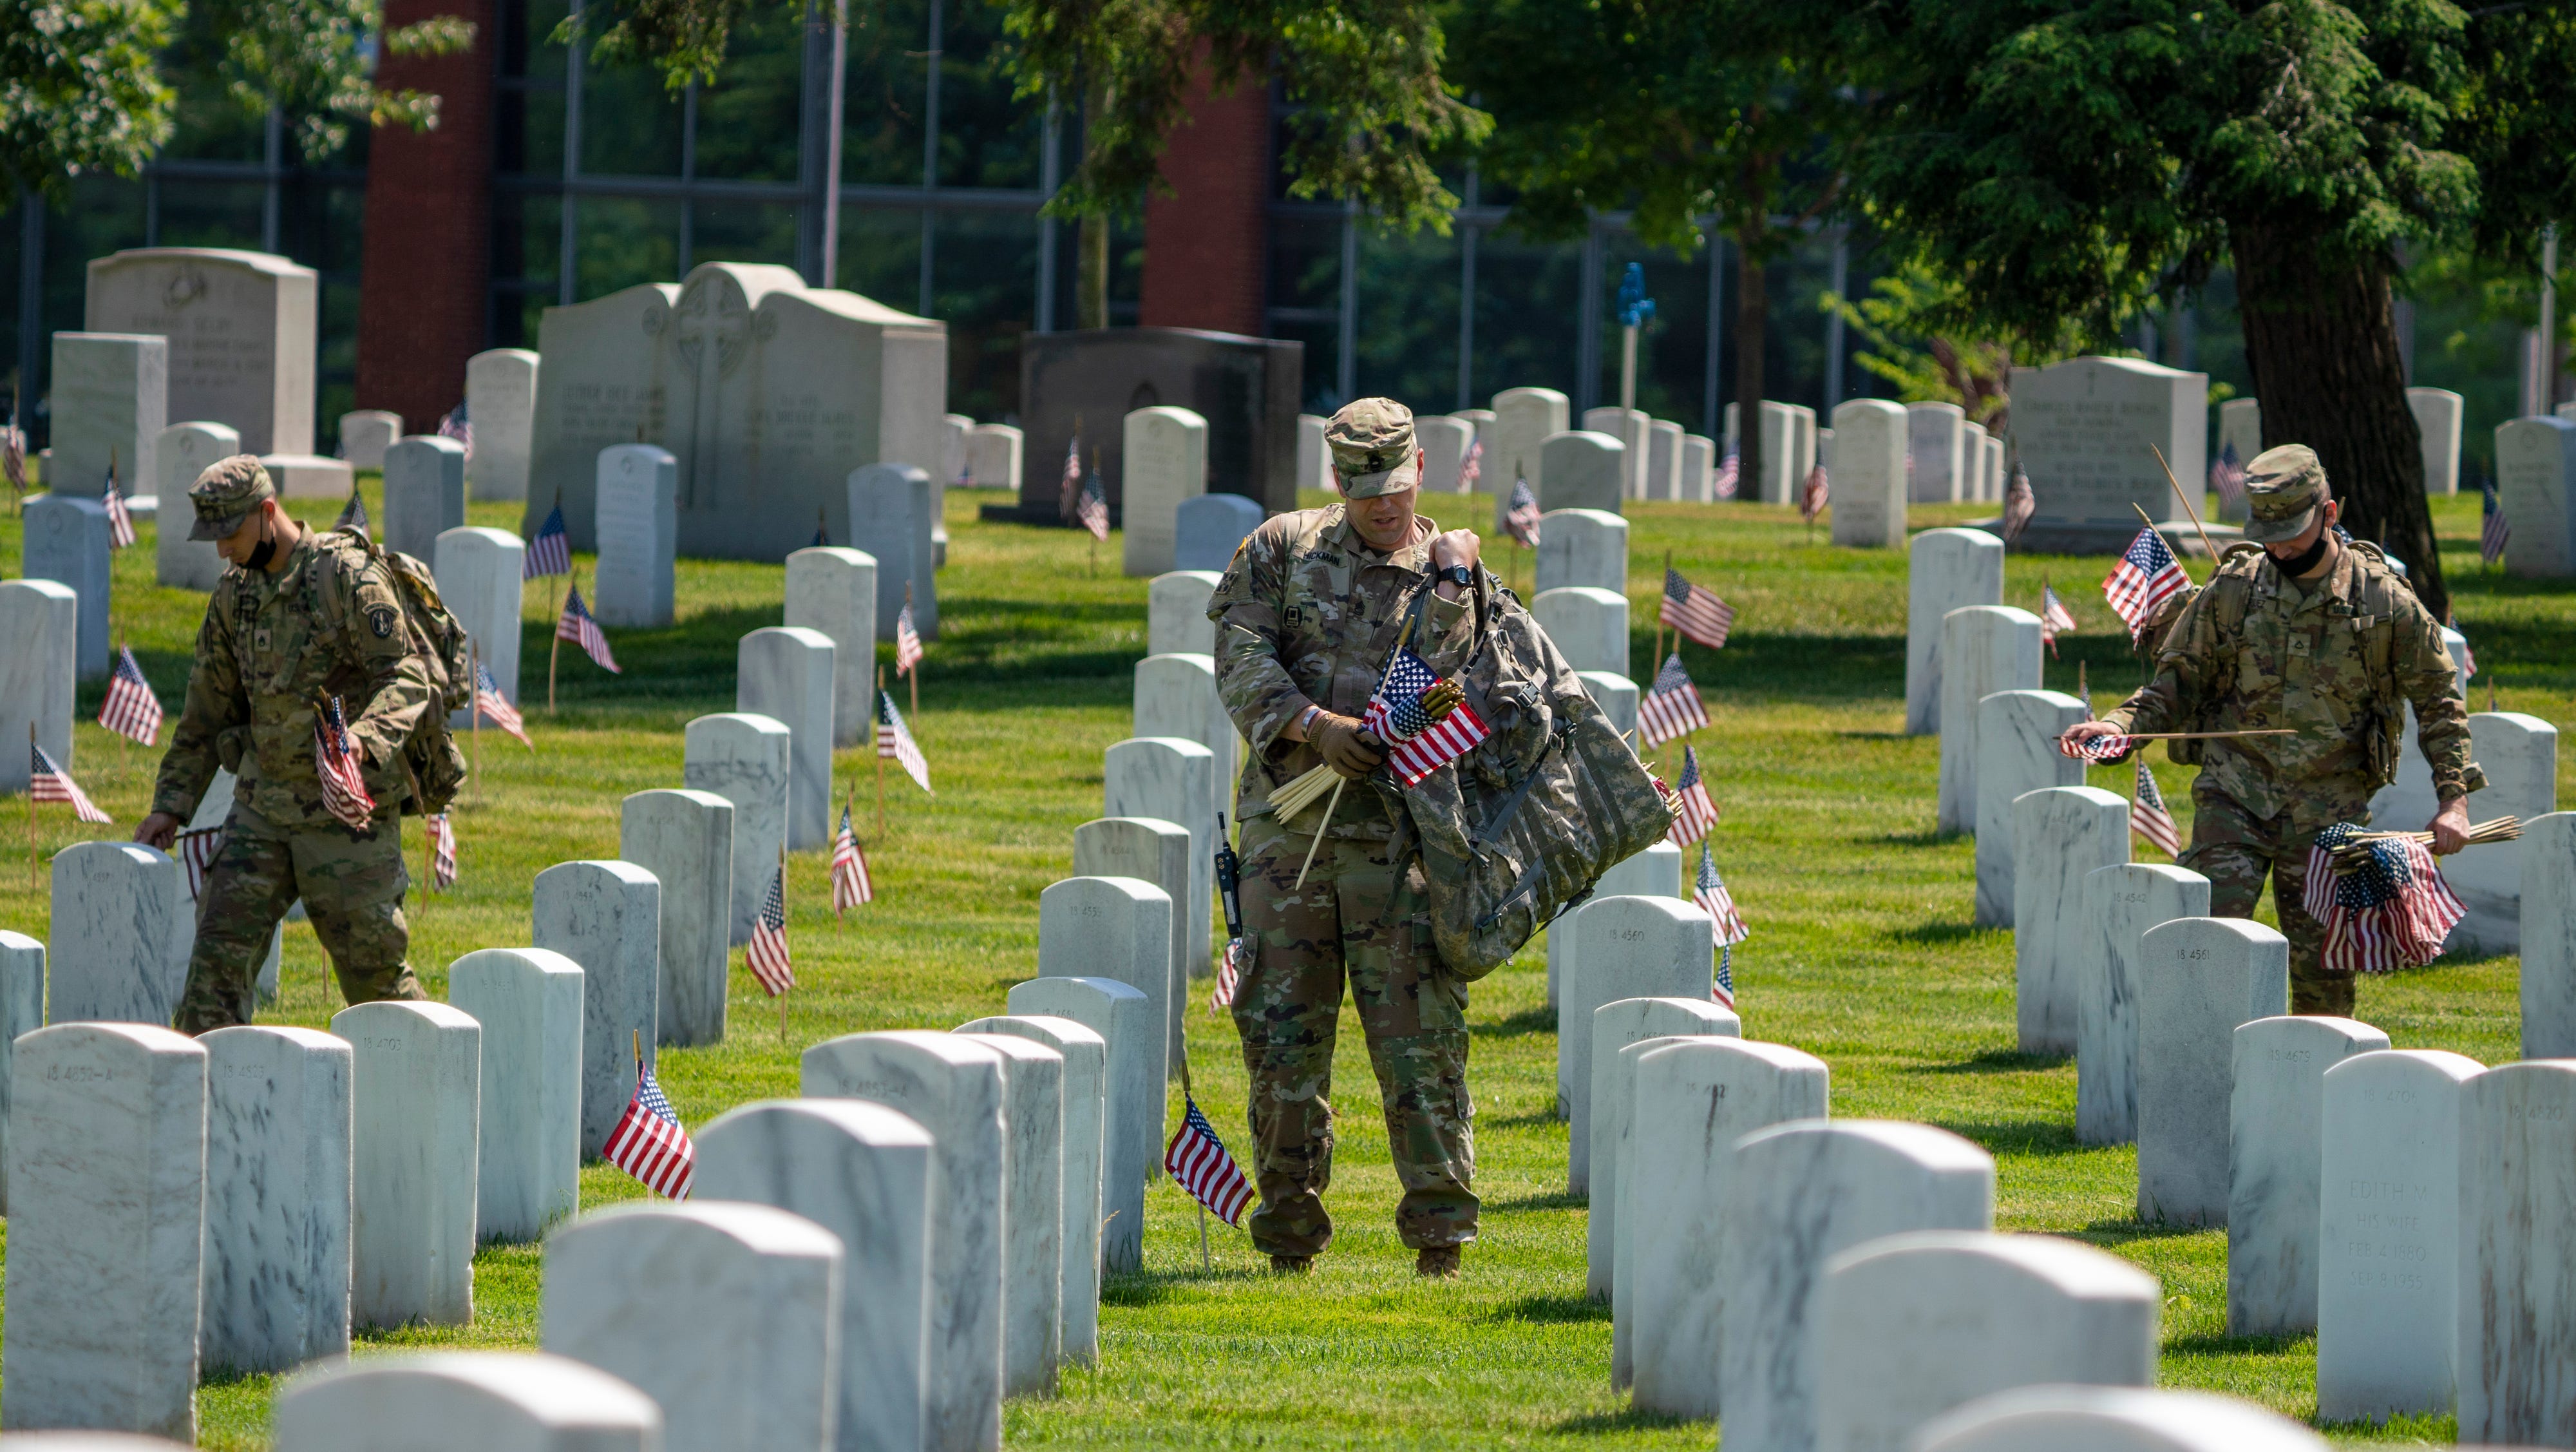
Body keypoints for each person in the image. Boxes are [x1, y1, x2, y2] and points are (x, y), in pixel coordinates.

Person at [1208, 397, 1501, 1278]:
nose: (1385, 506)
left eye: (1399, 488)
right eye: (1366, 489)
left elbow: (1473, 684)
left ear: (1422, 472)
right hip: (1286, 843)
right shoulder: (1281, 550)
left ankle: (1440, 1246)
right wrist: (1313, 725)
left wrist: (1453, 583)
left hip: (1400, 851)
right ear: (1339, 480)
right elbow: (1239, 655)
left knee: (1422, 1048)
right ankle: (1290, 1243)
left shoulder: (1450, 572)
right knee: (1283, 1044)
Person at [2063, 444, 2482, 1015]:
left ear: (2329, 515)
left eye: (2292, 530)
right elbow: (2176, 683)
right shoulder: (2235, 590)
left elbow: (2440, 703)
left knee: (2324, 985)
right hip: (2235, 798)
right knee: (2200, 952)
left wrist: (2454, 801)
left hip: (2328, 816)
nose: (2279, 546)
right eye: (2268, 532)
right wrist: (2118, 726)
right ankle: (2192, 1084)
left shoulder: (2384, 602)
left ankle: (2311, 1097)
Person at [135, 455, 437, 1033]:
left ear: (267, 513)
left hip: (346, 814)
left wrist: (361, 743)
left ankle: (436, 1093)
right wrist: (170, 806)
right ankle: (205, 1114)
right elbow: (205, 713)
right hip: (262, 812)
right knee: (214, 972)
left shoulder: (345, 577)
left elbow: (406, 676)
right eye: (214, 536)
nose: (222, 549)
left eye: (230, 533)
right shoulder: (234, 597)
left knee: (377, 983)